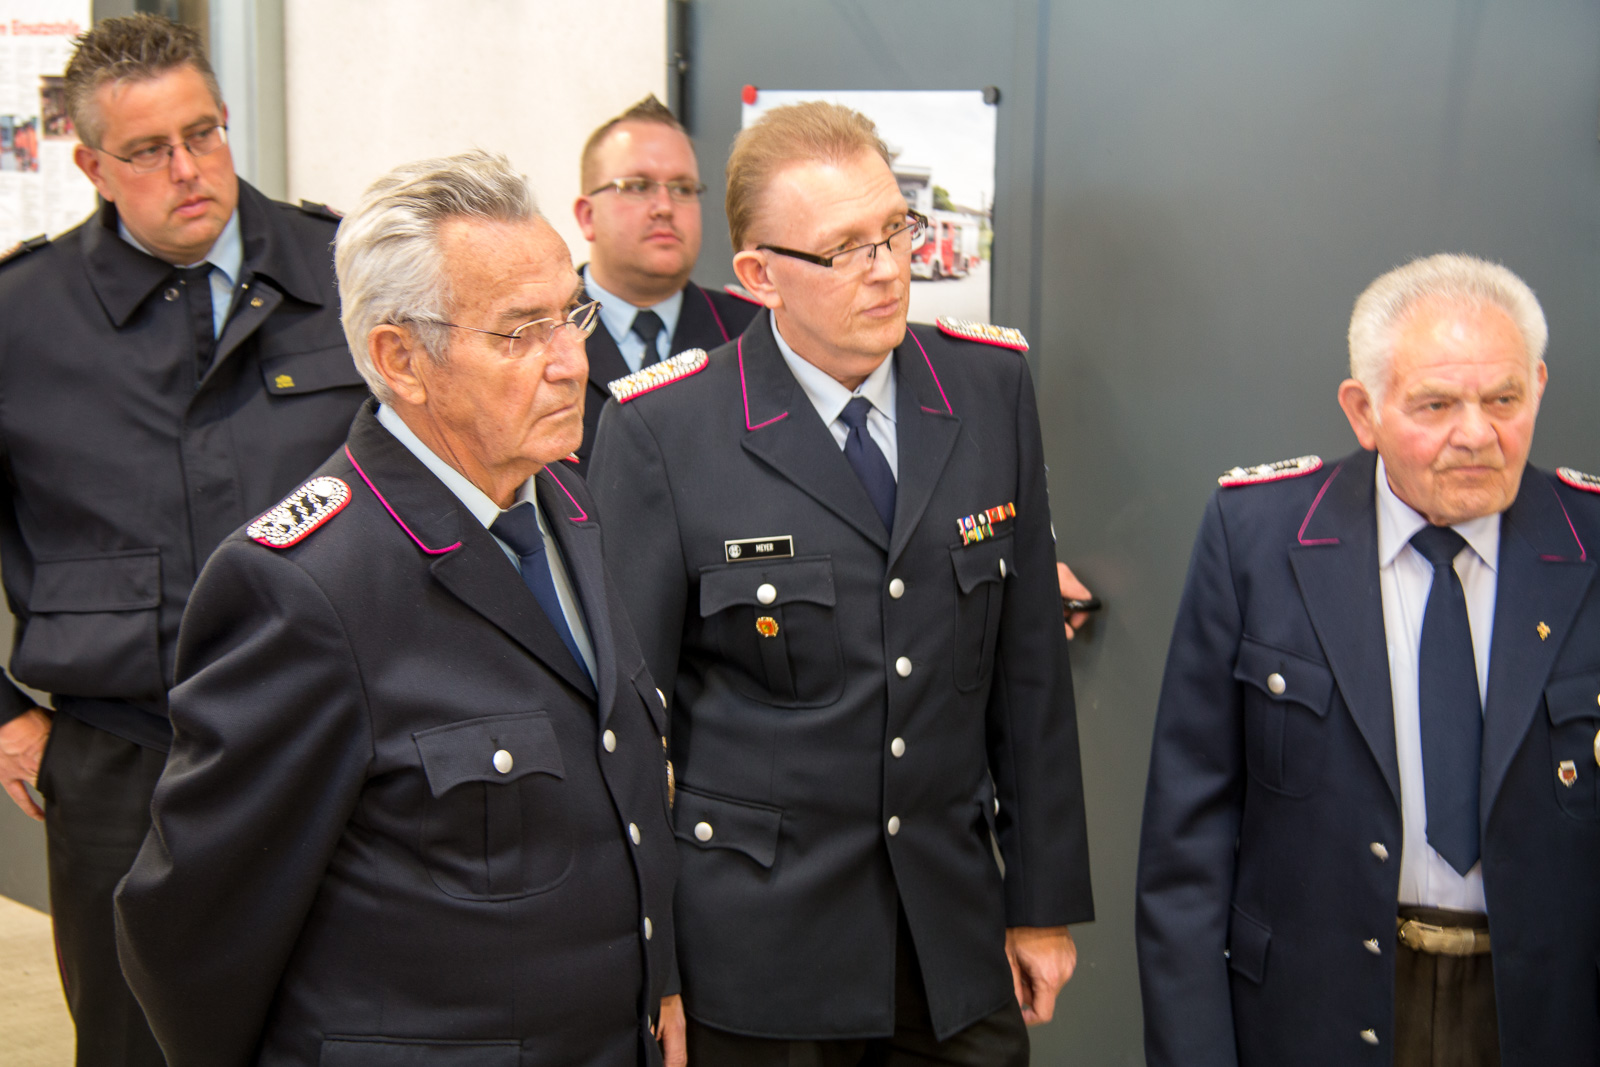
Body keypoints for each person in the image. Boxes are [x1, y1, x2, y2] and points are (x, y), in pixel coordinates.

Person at [114, 150, 683, 1067]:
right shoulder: (307, 586)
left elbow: (617, 792)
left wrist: (656, 984)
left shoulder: (563, 504)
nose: (571, 362)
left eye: (571, 314)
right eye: (520, 332)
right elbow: (191, 928)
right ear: (400, 360)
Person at [588, 101, 1093, 1065]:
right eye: (844, 249)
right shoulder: (665, 431)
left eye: (895, 230)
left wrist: (1042, 903)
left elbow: (1029, 676)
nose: (889, 268)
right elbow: (628, 724)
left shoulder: (988, 389)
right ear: (759, 276)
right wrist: (655, 966)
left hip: (949, 937)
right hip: (755, 957)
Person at [0, 15, 366, 1064]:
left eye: (204, 134)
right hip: (122, 756)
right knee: (134, 1035)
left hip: (338, 737)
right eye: (149, 150)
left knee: (346, 1024)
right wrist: (6, 716)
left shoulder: (347, 269)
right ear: (90, 166)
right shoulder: (21, 318)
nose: (190, 169)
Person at [1135, 253, 1600, 1066]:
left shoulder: (1589, 543)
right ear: (1364, 410)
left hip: (1544, 1014)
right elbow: (1188, 842)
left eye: (1503, 399)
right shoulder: (1259, 538)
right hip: (1316, 1011)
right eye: (1436, 404)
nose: (1477, 434)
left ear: (1537, 388)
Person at [570, 95, 762, 470]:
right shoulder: (537, 338)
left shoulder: (754, 333)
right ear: (587, 216)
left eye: (683, 188)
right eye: (637, 186)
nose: (664, 207)